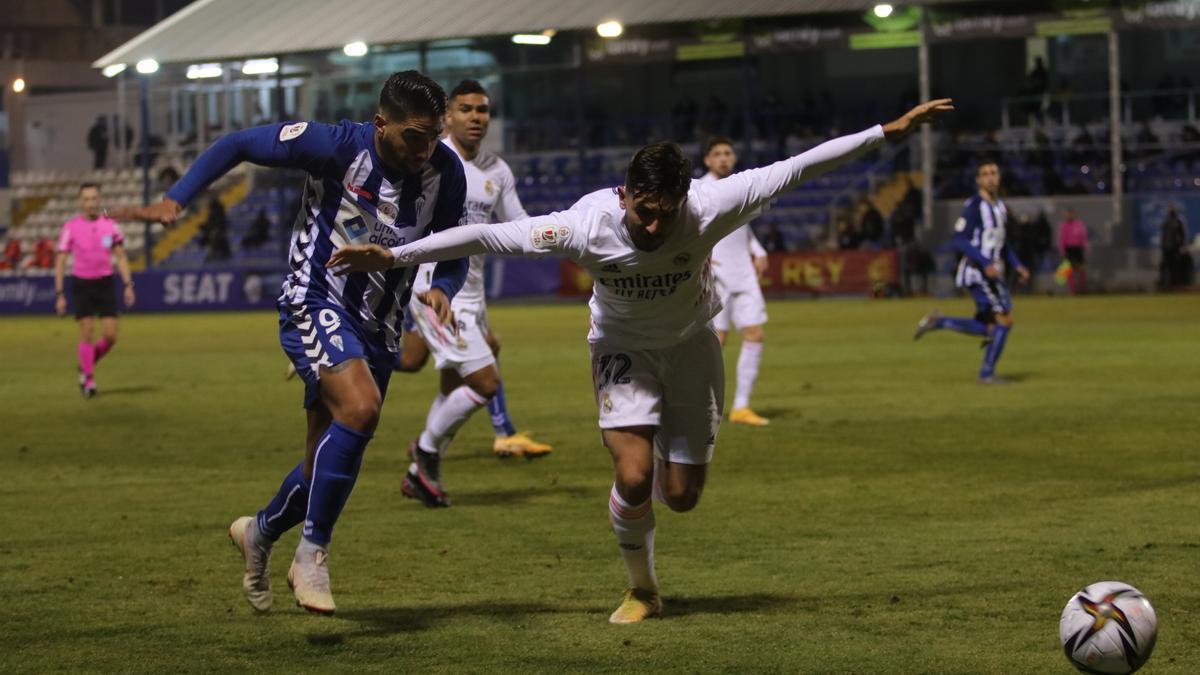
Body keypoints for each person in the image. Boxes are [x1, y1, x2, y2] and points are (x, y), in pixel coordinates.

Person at [328, 99, 954, 623]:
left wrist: (885, 132)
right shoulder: (585, 224)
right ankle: (644, 589)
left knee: (680, 496)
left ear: (685, 197)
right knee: (632, 477)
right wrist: (396, 256)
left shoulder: (711, 205)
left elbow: (798, 168)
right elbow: (489, 236)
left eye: (666, 212)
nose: (654, 226)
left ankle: (661, 475)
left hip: (691, 349)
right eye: (644, 211)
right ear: (626, 194)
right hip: (621, 350)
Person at [121, 71, 468, 616]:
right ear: (382, 124)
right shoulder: (334, 145)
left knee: (323, 463)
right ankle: (312, 554)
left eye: (434, 135)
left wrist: (445, 288)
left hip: (378, 329)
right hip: (315, 299)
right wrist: (177, 197)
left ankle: (259, 532)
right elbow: (238, 143)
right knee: (361, 408)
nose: (427, 149)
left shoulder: (446, 173)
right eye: (415, 136)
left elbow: (453, 248)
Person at [396, 80, 553, 508]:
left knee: (447, 382)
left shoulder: (497, 171)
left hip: (474, 294)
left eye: (482, 110)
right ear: (447, 116)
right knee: (484, 381)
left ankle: (426, 465)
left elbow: (518, 222)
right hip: (435, 291)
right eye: (465, 109)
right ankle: (425, 456)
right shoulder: (429, 158)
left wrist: (557, 235)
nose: (475, 117)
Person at [914, 160, 1030, 384]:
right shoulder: (974, 206)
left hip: (992, 271)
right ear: (978, 180)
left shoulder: (1001, 208)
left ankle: (940, 322)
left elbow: (1002, 244)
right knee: (1005, 320)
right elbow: (959, 239)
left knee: (990, 326)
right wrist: (985, 261)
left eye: (994, 173)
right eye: (985, 174)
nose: (990, 177)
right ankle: (986, 374)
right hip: (978, 272)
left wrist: (1017, 265)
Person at [698, 136, 771, 427]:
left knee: (754, 334)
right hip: (717, 277)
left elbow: (741, 227)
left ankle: (741, 407)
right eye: (717, 154)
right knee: (717, 342)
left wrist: (758, 250)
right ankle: (702, 405)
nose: (724, 158)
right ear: (707, 160)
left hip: (745, 274)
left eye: (728, 153)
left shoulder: (740, 186)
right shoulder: (701, 190)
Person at [53, 183, 135, 398]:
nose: (90, 203)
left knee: (110, 336)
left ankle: (85, 365)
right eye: (86, 199)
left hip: (105, 283)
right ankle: (89, 380)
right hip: (82, 284)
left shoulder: (110, 225)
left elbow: (120, 256)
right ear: (80, 202)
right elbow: (61, 261)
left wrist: (128, 284)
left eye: (94, 198)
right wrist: (59, 294)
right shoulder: (70, 227)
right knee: (87, 331)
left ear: (99, 200)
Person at [1057, 208, 1088, 294]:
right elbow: (1061, 239)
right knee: (1069, 271)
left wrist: (1084, 246)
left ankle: (1083, 289)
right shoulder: (1063, 225)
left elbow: (1083, 236)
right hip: (1069, 249)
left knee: (1082, 270)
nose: (1069, 216)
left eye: (1070, 214)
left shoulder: (1079, 224)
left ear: (1074, 214)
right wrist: (1062, 251)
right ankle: (1072, 291)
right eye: (1067, 214)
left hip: (1078, 249)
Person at [1159, 205, 1189, 289]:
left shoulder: (1179, 221)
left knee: (1176, 267)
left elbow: (1183, 235)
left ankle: (1177, 284)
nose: (1171, 211)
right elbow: (1164, 236)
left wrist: (1183, 246)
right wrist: (1163, 246)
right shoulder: (1166, 222)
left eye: (1172, 210)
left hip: (1175, 248)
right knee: (1165, 266)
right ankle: (1166, 284)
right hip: (1167, 248)